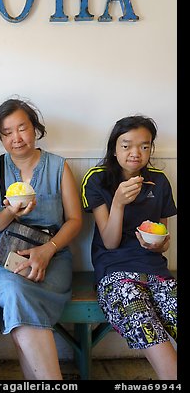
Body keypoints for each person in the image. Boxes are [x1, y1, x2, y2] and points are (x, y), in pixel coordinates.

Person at [0, 97, 82, 380]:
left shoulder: (58, 167)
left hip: (53, 256)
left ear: (35, 128)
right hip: (6, 257)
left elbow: (75, 221)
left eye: (22, 128)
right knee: (13, 290)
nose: (16, 138)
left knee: (17, 298)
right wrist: (11, 212)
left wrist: (48, 250)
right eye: (7, 132)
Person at [81, 115, 177, 380]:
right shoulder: (97, 179)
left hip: (156, 271)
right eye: (126, 145)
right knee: (151, 332)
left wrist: (161, 244)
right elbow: (110, 242)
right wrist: (119, 203)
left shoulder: (159, 181)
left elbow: (161, 236)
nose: (136, 153)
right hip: (115, 273)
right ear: (114, 148)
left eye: (144, 146)